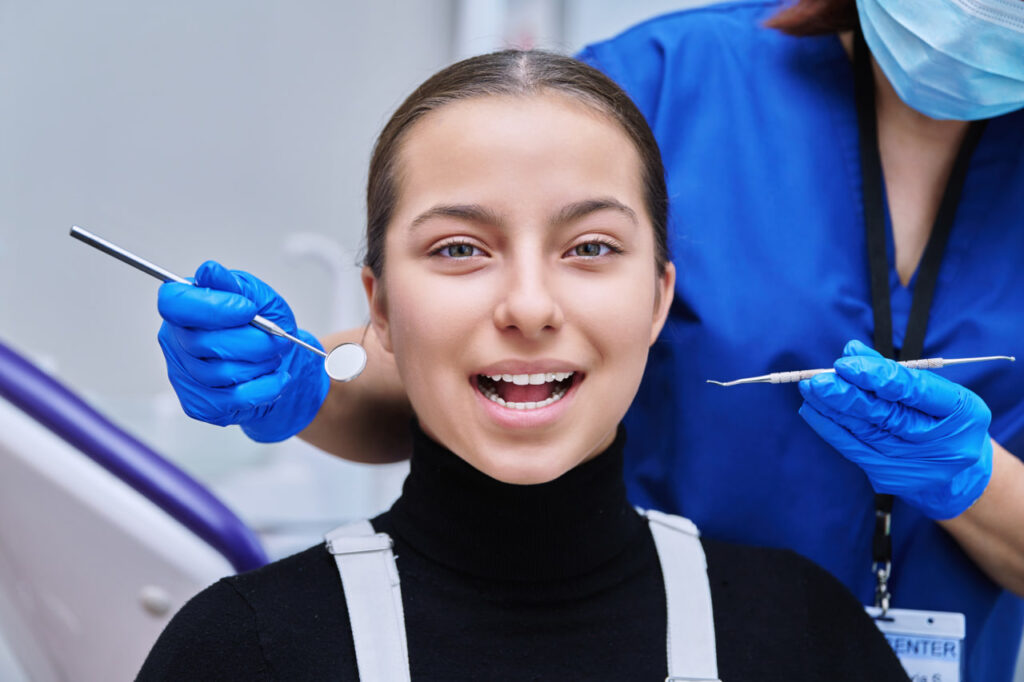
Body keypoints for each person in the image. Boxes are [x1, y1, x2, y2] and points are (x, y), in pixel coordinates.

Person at [154, 0, 1024, 679]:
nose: (530, 304)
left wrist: (975, 481)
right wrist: (305, 377)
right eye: (463, 247)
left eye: (589, 249)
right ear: (376, 298)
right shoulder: (672, 85)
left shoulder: (806, 631)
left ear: (660, 293)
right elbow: (466, 367)